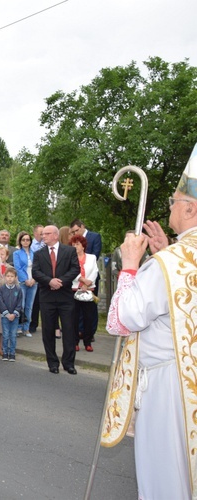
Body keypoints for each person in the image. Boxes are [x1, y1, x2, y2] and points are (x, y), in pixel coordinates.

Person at [105, 145, 197, 498]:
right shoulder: (175, 258)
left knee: (165, 475)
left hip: (169, 386)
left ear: (189, 208)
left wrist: (131, 265)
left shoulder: (170, 263)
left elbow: (121, 321)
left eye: (175, 201)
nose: (170, 206)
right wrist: (163, 254)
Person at [32, 226, 80, 374]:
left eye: (46, 234)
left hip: (65, 297)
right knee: (47, 330)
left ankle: (69, 363)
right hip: (47, 297)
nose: (43, 236)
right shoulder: (39, 253)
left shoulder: (69, 251)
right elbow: (35, 272)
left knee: (69, 330)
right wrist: (49, 281)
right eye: (42, 234)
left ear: (55, 235)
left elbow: (75, 269)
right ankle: (52, 363)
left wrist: (60, 281)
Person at [69, 234, 98, 352]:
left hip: (89, 290)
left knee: (89, 317)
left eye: (77, 244)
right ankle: (75, 341)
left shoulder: (91, 257)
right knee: (74, 318)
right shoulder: (70, 257)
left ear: (83, 245)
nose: (75, 246)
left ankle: (87, 342)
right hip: (75, 289)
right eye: (73, 244)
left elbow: (95, 271)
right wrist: (81, 280)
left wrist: (88, 283)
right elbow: (71, 271)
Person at [13, 231, 37, 338]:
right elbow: (18, 268)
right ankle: (18, 327)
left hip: (34, 282)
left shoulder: (34, 253)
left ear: (30, 241)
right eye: (23, 240)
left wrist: (33, 279)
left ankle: (26, 328)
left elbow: (37, 268)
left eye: (28, 239)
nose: (26, 241)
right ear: (20, 241)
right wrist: (26, 280)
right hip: (22, 282)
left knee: (29, 306)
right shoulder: (16, 253)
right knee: (20, 305)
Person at [0, 267, 23, 362]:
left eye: (12, 276)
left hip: (15, 317)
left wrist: (15, 313)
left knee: (13, 335)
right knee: (6, 334)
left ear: (15, 277)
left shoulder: (18, 289)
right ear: (4, 277)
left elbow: (20, 303)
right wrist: (7, 314)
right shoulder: (2, 289)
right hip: (5, 316)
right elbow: (0, 302)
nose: (10, 278)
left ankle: (12, 353)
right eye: (8, 276)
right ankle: (5, 352)